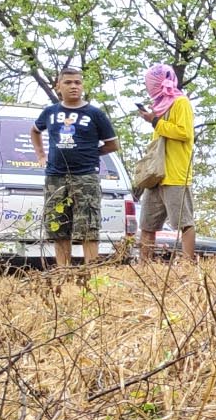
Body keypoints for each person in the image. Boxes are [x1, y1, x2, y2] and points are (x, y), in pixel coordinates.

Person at [28, 65, 119, 269]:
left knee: (88, 226)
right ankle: (63, 271)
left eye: (77, 82)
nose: (73, 86)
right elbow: (35, 131)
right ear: (58, 86)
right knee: (57, 225)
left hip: (85, 176)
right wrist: (41, 155)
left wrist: (91, 152)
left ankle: (92, 272)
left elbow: (113, 144)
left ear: (83, 85)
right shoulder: (50, 112)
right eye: (68, 82)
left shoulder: (95, 114)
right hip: (55, 176)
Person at [135, 63, 197, 264]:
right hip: (155, 175)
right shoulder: (160, 105)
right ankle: (144, 267)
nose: (148, 87)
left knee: (184, 222)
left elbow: (184, 132)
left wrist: (155, 121)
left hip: (175, 174)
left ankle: (187, 263)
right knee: (147, 224)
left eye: (150, 83)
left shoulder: (181, 103)